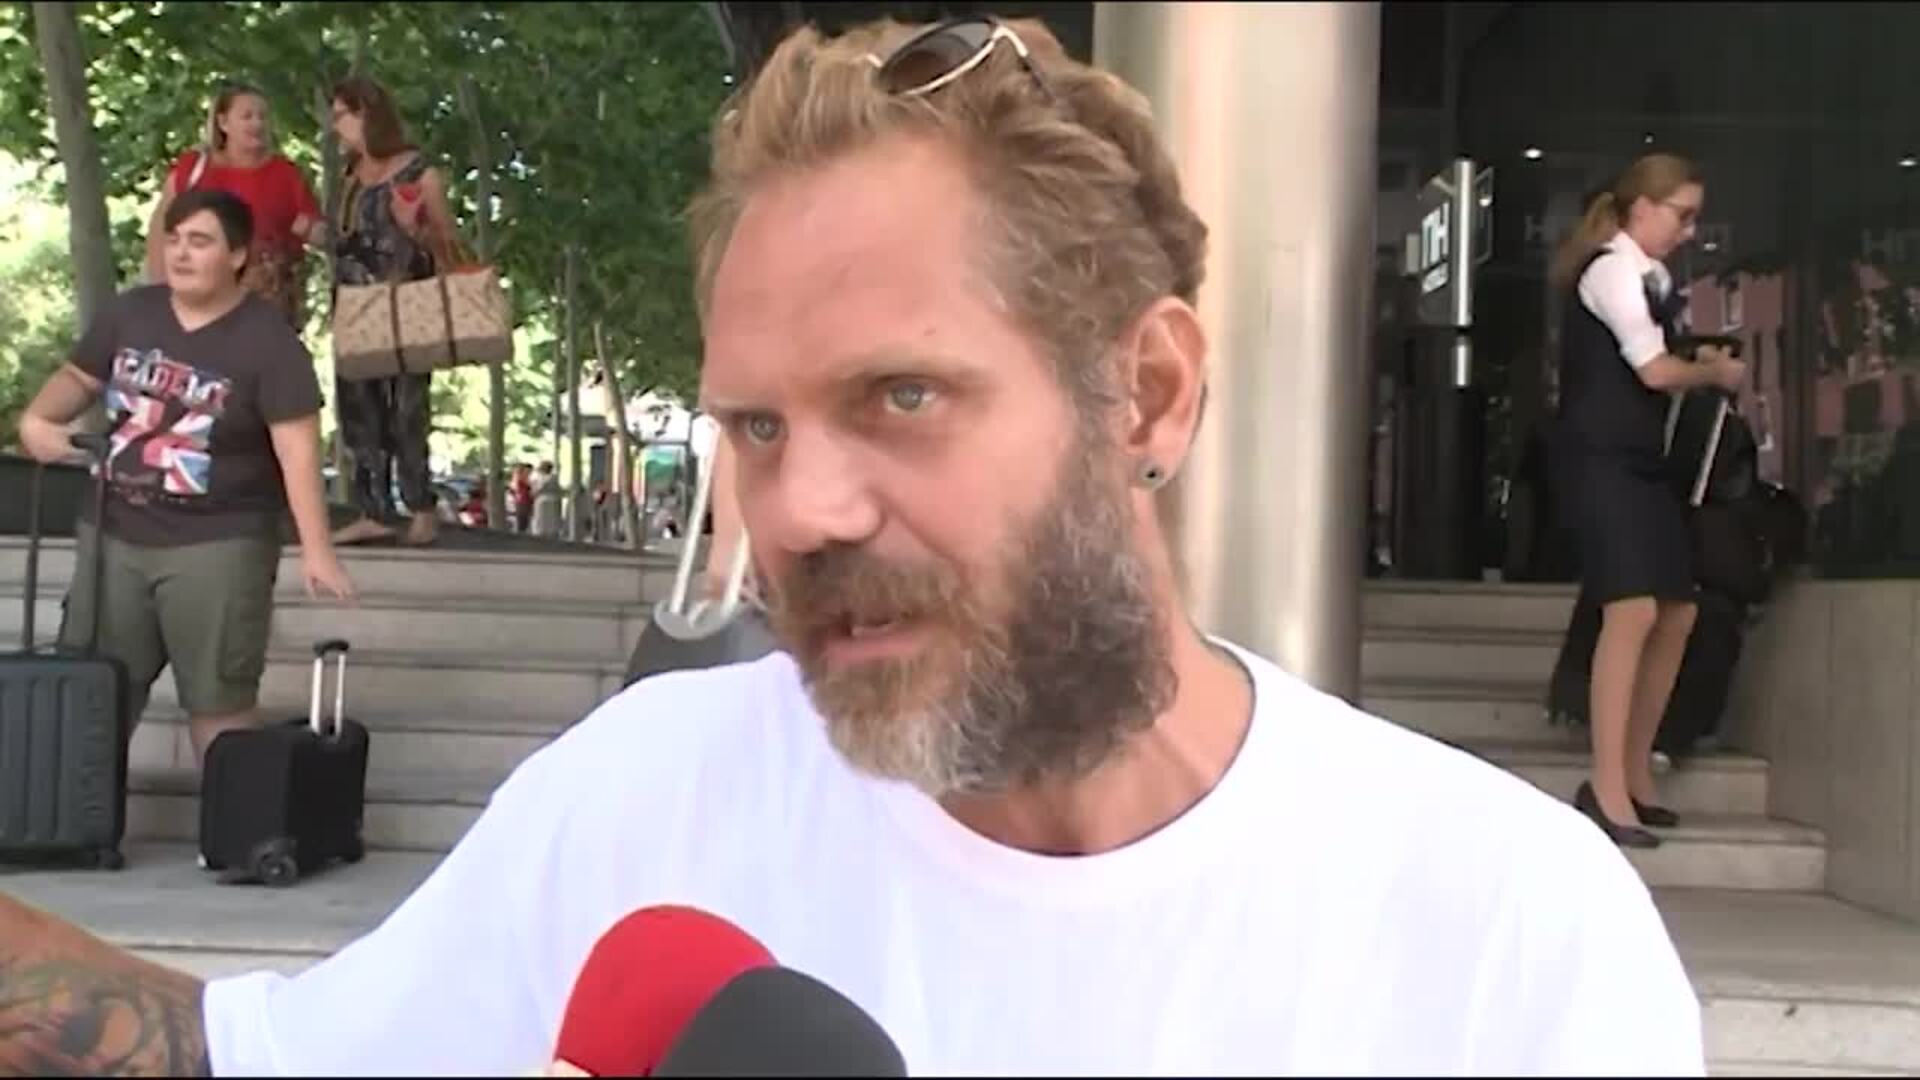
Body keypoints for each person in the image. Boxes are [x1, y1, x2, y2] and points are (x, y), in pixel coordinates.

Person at [0, 18, 1702, 1076]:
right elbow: (232, 1057)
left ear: (1150, 394)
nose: (799, 511)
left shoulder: (1509, 929)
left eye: (902, 395)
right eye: (754, 426)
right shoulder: (641, 800)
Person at [15, 188, 355, 769]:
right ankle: (72, 815)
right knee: (92, 696)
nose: (181, 253)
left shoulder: (270, 342)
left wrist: (317, 549)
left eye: (200, 241)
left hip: (219, 542)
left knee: (219, 703)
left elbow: (297, 451)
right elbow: (78, 376)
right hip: (114, 532)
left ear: (238, 255)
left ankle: (230, 817)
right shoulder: (129, 313)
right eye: (173, 240)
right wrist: (37, 418)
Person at [1546, 154, 1748, 849]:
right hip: (1600, 462)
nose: (1689, 231)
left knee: (1677, 611)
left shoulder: (1649, 278)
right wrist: (1711, 372)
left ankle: (1633, 774)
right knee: (1631, 609)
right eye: (1682, 215)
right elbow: (1655, 370)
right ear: (1641, 207)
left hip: (1638, 462)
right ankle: (1606, 787)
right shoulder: (1611, 271)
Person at [325, 75, 458, 549]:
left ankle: (421, 505)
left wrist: (414, 228)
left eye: (342, 115)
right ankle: (373, 510)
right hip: (354, 305)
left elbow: (449, 247)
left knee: (407, 409)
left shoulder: (420, 173)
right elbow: (345, 240)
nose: (335, 125)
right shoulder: (349, 177)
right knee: (359, 409)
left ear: (367, 114)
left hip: (406, 305)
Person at [143, 82, 325, 329]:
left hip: (267, 308)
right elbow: (161, 230)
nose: (257, 124)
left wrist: (316, 232)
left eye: (262, 117)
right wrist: (159, 292)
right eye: (247, 116)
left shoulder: (286, 174)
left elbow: (317, 232)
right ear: (223, 122)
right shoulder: (194, 169)